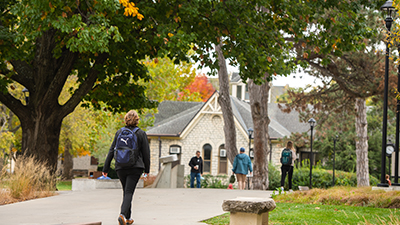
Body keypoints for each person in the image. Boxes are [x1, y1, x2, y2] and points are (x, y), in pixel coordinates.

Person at [102, 110, 150, 225]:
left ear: (126, 119)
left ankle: (127, 218)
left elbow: (111, 150)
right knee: (129, 192)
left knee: (126, 192)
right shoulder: (141, 133)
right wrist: (147, 170)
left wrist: (106, 168)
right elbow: (146, 153)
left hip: (120, 167)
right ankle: (122, 215)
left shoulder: (119, 132)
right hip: (135, 167)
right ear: (137, 120)